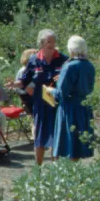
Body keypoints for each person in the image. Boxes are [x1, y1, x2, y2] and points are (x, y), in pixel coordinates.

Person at [22, 30, 67, 165]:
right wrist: (20, 85)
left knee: (56, 135)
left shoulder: (63, 59)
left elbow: (71, 79)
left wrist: (63, 78)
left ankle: (55, 168)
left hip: (57, 102)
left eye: (53, 41)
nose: (51, 44)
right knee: (39, 136)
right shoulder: (34, 59)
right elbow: (25, 80)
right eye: (48, 42)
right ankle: (38, 168)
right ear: (41, 44)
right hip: (40, 103)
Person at [49, 36, 96, 161]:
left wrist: (49, 90)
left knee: (67, 141)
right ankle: (75, 168)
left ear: (71, 49)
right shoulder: (89, 65)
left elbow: (61, 93)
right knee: (77, 144)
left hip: (69, 107)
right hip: (84, 106)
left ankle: (61, 169)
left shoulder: (69, 66)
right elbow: (89, 87)